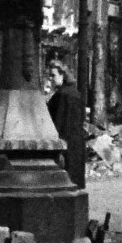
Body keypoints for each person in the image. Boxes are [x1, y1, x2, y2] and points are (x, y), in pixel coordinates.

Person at [47, 60, 87, 189]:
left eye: (53, 75)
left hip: (66, 143)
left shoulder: (62, 95)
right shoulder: (76, 93)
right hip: (78, 142)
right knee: (76, 183)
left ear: (63, 75)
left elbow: (59, 121)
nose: (51, 79)